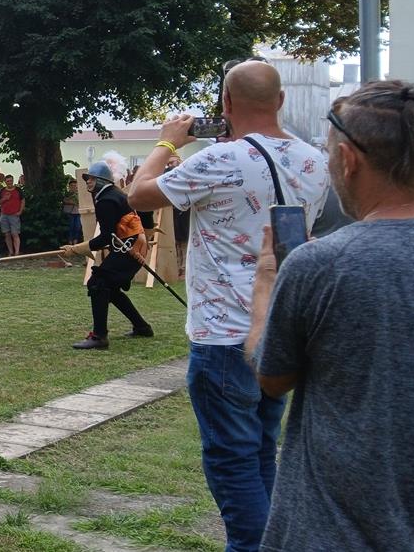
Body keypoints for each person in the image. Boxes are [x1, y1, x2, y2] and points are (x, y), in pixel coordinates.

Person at [126, 59, 327, 552]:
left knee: (232, 460)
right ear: (281, 100)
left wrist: (168, 142)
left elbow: (139, 195)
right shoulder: (315, 160)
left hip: (223, 333)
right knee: (261, 449)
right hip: (278, 329)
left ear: (226, 104)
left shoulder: (218, 160)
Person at [245, 80, 414, 551]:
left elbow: (272, 377)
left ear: (347, 160)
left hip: (333, 533)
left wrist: (266, 283)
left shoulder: (319, 264)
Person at [58, 153, 154, 349]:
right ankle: (142, 327)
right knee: (109, 288)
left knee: (97, 283)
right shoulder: (114, 195)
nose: (88, 182)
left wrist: (77, 248)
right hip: (129, 246)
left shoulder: (106, 200)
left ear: (102, 180)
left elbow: (106, 237)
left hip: (129, 249)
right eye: (87, 179)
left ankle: (99, 337)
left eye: (91, 179)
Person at [0, 175, 24, 257]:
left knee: (15, 234)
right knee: (7, 234)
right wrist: (5, 198)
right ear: (5, 182)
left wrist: (20, 211)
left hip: (14, 215)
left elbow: (23, 201)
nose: (9, 182)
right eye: (8, 181)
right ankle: (11, 252)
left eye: (11, 181)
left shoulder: (18, 190)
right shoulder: (2, 190)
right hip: (4, 215)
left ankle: (17, 252)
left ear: (13, 181)